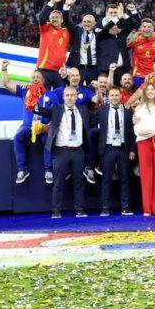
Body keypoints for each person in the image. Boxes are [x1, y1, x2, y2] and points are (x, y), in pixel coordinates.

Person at [39, 86, 91, 219]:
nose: (69, 98)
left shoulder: (83, 110)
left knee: (79, 182)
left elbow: (95, 118)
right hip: (61, 151)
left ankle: (80, 210)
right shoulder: (57, 109)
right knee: (58, 182)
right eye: (67, 95)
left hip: (78, 151)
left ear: (76, 96)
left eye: (72, 95)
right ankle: (56, 211)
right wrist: (32, 104)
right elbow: (42, 111)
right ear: (63, 97)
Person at [1, 60, 53, 184]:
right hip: (28, 126)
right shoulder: (25, 91)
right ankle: (22, 170)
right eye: (33, 77)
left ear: (43, 80)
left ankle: (49, 171)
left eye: (38, 77)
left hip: (44, 127)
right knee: (18, 137)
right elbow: (6, 83)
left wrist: (48, 126)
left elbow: (56, 113)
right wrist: (4, 69)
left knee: (49, 139)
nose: (35, 79)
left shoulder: (50, 95)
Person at [96, 87, 135, 216]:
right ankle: (105, 208)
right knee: (106, 179)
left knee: (125, 179)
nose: (114, 97)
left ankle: (125, 207)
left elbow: (132, 132)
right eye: (112, 95)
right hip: (108, 148)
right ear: (108, 97)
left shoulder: (128, 110)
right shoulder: (102, 110)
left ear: (121, 96)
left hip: (124, 148)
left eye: (116, 95)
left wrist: (132, 150)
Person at [133, 83, 155, 216]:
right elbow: (137, 129)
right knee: (146, 175)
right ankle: (147, 208)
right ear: (144, 92)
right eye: (147, 89)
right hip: (143, 143)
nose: (149, 91)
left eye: (152, 89)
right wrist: (151, 132)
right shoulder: (139, 108)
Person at [36, 0, 74, 89]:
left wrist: (67, 6)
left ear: (62, 20)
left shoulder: (66, 32)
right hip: (45, 69)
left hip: (60, 71)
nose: (54, 19)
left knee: (60, 95)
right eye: (52, 17)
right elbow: (41, 17)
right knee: (42, 94)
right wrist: (52, 2)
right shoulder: (46, 28)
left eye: (57, 17)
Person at [96, 2, 140, 85]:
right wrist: (117, 18)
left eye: (115, 13)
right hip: (106, 70)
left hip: (123, 69)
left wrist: (126, 14)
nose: (113, 15)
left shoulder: (121, 31)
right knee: (108, 91)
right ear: (106, 13)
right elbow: (106, 28)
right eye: (111, 13)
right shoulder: (100, 28)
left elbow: (136, 24)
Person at [128, 18, 155, 89]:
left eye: (149, 27)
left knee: (154, 95)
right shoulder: (135, 40)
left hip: (153, 75)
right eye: (144, 27)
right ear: (140, 28)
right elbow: (126, 45)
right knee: (139, 95)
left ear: (153, 29)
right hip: (139, 75)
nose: (146, 29)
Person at [66, 13, 99, 86]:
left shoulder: (98, 34)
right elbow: (67, 22)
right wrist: (66, 9)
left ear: (94, 23)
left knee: (92, 90)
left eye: (89, 22)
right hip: (79, 69)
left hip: (94, 69)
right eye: (84, 21)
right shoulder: (77, 31)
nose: (86, 23)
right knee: (76, 89)